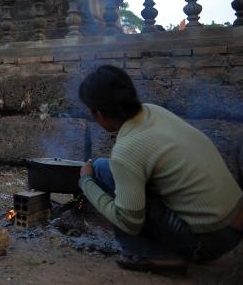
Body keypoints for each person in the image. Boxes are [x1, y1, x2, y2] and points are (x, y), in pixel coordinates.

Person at [78, 65, 243, 275]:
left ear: (99, 113)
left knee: (117, 193)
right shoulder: (152, 111)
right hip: (234, 223)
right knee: (102, 166)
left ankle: (152, 255)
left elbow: (128, 222)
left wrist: (86, 183)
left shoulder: (127, 149)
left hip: (209, 240)